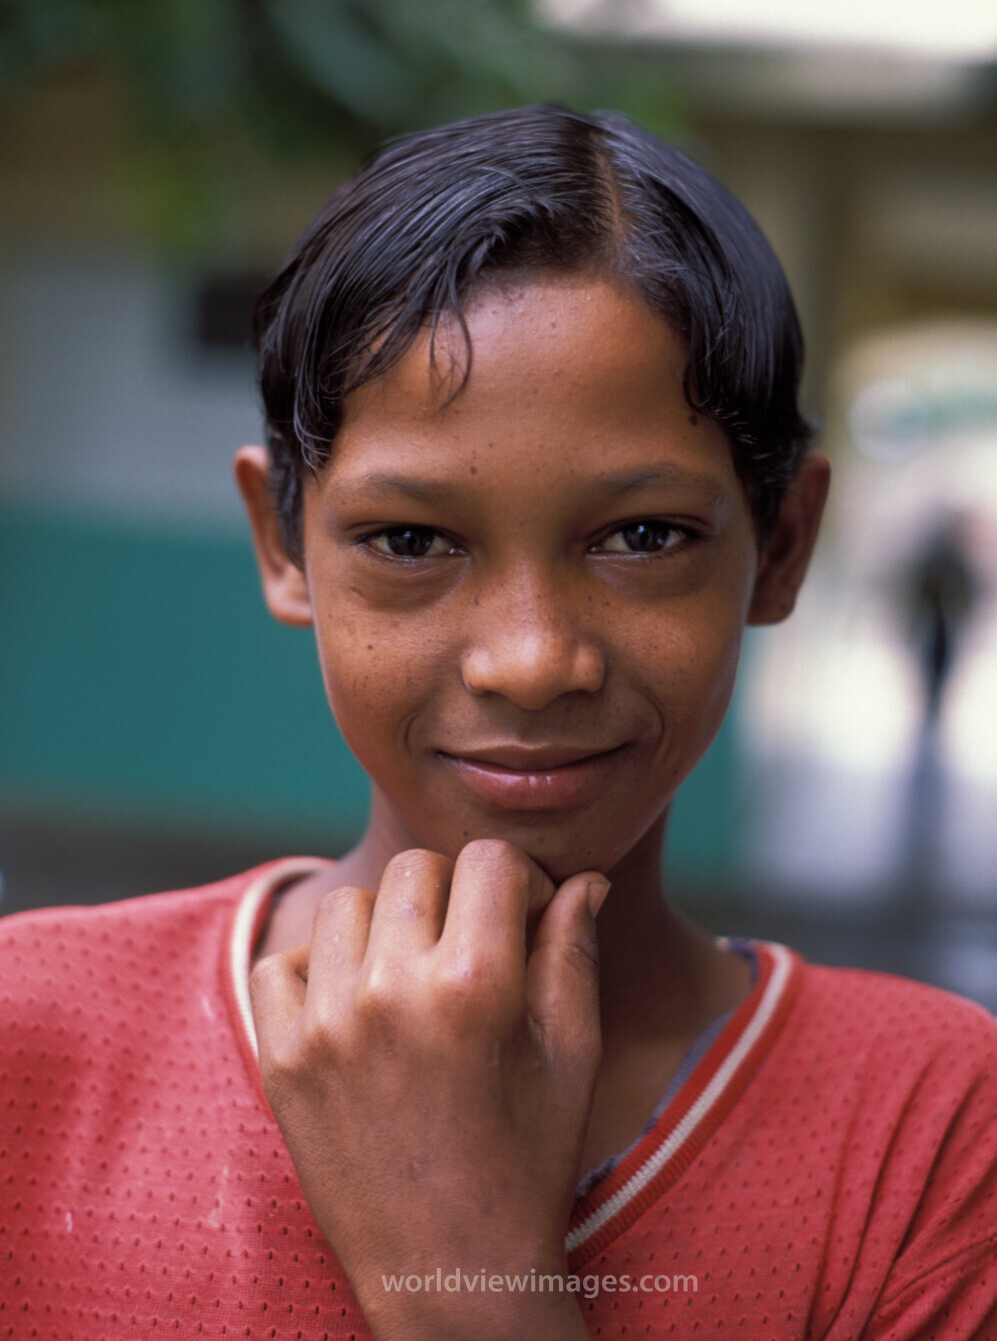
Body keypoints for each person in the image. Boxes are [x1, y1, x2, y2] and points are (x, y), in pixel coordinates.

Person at [1, 106, 994, 1340]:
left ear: (781, 545)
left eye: (643, 536)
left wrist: (470, 1281)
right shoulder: (29, 1035)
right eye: (411, 541)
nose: (529, 662)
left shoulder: (929, 1138)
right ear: (283, 544)